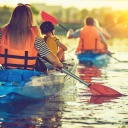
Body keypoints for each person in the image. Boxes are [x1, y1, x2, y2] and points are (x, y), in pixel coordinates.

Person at [0, 3, 63, 72]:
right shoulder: (36, 38)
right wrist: (59, 65)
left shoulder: (2, 33)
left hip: (4, 72)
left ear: (13, 17)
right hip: (28, 75)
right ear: (29, 18)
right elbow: (52, 59)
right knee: (42, 67)